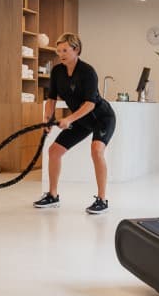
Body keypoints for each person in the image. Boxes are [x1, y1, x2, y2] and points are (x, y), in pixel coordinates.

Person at [34, 33, 115, 215]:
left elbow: (90, 103)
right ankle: (53, 196)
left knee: (96, 150)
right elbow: (51, 98)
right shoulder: (57, 72)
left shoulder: (87, 72)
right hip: (81, 120)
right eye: (59, 50)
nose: (61, 54)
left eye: (65, 50)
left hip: (101, 118)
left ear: (76, 49)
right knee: (54, 151)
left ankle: (102, 199)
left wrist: (69, 119)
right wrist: (47, 118)